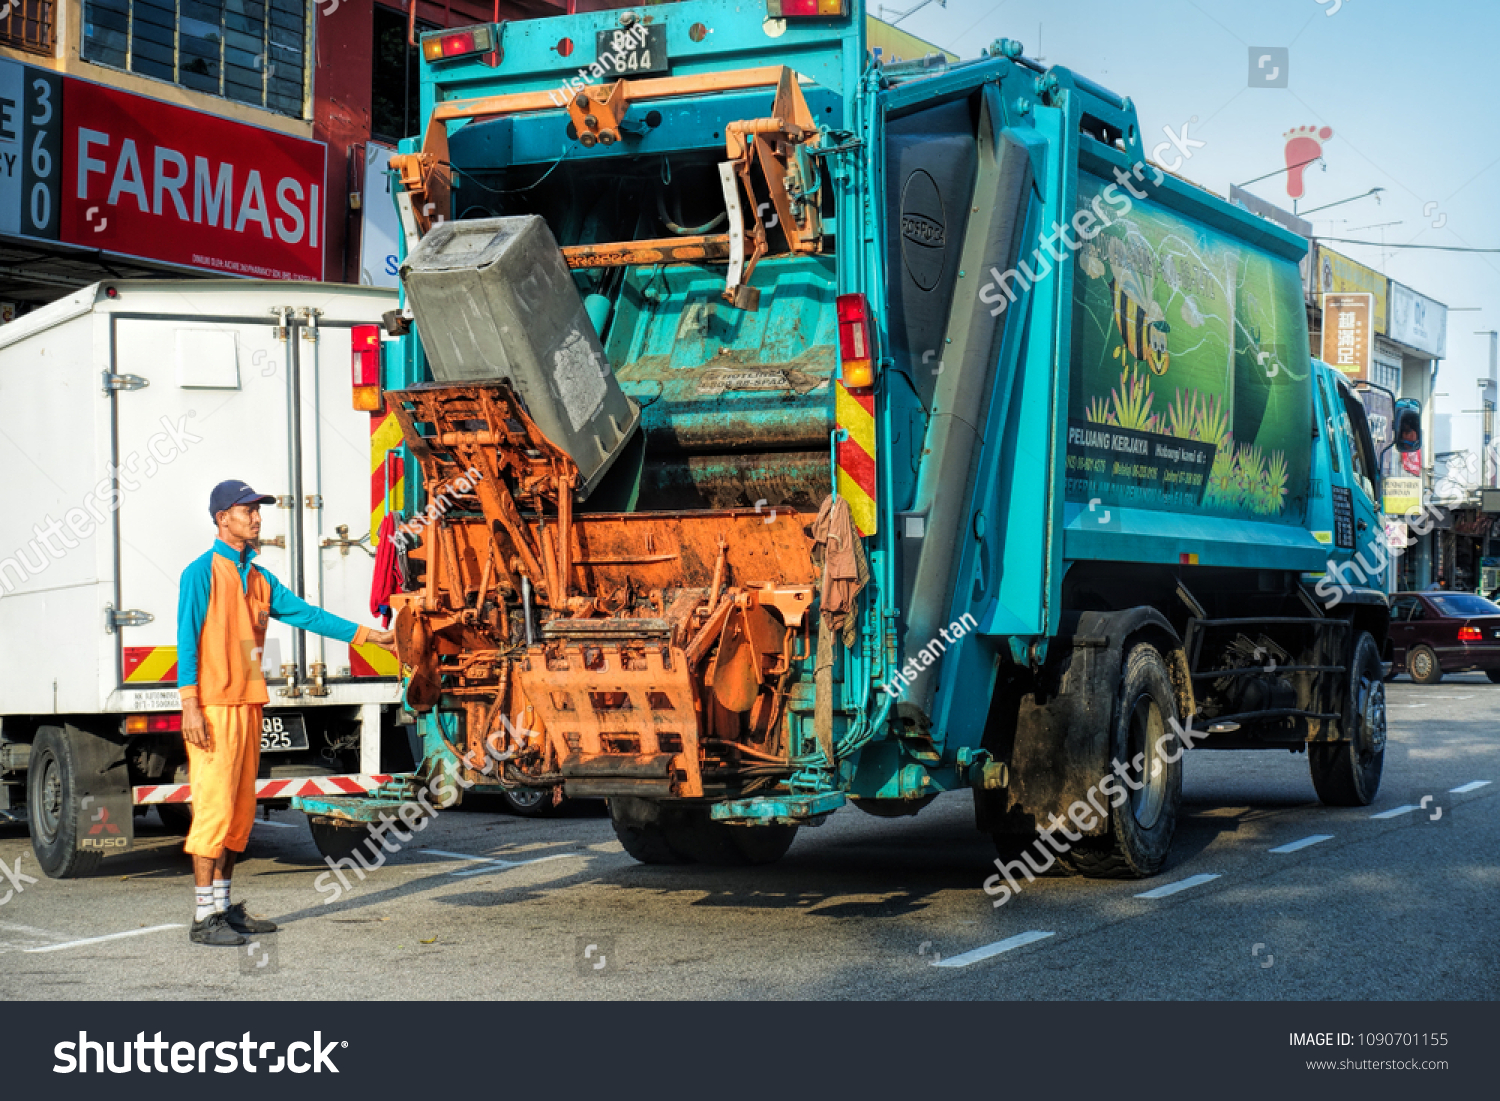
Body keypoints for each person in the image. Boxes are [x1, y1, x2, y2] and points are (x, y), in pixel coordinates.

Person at [177, 480, 396, 946]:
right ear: (222, 519)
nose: (256, 518)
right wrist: (189, 705)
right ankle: (203, 918)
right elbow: (186, 638)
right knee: (214, 812)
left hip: (249, 704)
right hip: (215, 708)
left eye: (259, 511)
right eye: (247, 511)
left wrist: (369, 636)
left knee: (239, 814)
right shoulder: (200, 573)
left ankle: (223, 905)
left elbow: (306, 614)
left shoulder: (258, 578)